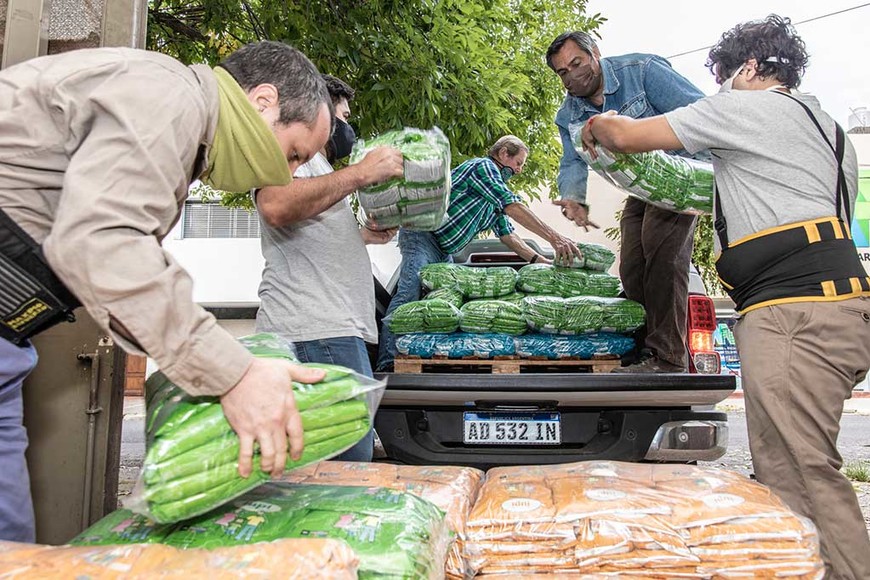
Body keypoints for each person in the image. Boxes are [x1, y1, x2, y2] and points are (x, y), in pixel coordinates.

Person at [0, 41, 334, 542]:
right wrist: (233, 373)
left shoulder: (176, 119)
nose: (284, 174)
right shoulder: (169, 96)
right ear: (263, 101)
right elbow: (104, 242)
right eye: (292, 154)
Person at [579, 15, 870, 579]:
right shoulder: (832, 132)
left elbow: (627, 137)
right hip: (839, 307)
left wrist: (597, 125)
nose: (721, 88)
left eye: (726, 76)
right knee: (785, 462)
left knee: (804, 467)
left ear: (752, 67)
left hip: (793, 314)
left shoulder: (746, 108)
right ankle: (801, 566)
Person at [254, 74, 403, 462]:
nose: (347, 127)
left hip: (329, 330)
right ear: (318, 110)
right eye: (343, 115)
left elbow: (311, 233)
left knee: (330, 466)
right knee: (346, 467)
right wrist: (361, 173)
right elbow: (276, 205)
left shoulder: (317, 165)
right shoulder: (292, 153)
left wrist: (363, 236)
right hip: (317, 330)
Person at [546, 31, 704, 373]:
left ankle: (667, 356)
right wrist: (574, 197)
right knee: (632, 264)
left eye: (577, 63)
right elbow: (572, 160)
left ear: (595, 53)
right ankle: (639, 347)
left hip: (681, 174)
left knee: (662, 252)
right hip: (643, 186)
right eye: (562, 72)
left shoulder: (643, 71)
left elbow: (698, 113)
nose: (572, 74)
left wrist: (710, 177)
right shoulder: (569, 112)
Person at [376, 135, 583, 371]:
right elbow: (511, 205)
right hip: (421, 234)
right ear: (504, 153)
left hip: (444, 250)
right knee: (409, 294)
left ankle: (432, 363)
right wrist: (556, 239)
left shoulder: (492, 194)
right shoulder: (482, 168)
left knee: (442, 307)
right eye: (519, 163)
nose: (519, 170)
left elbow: (509, 236)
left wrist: (543, 262)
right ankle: (386, 365)